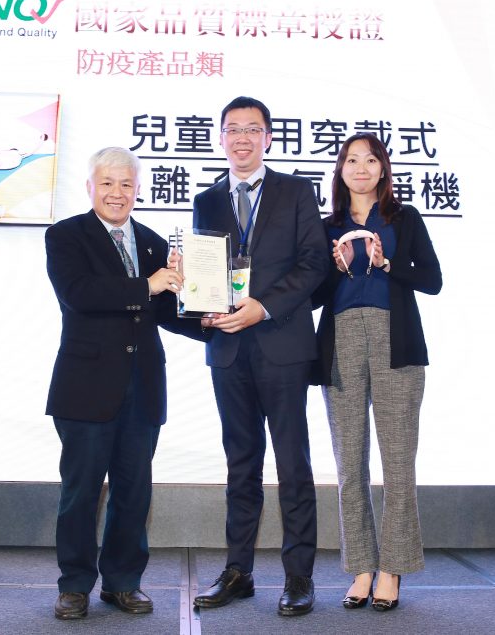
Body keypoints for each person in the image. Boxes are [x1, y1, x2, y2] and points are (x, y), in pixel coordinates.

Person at [189, 96, 328, 616]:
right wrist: (202, 306)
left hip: (282, 343)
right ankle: (238, 571)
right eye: (232, 129)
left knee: (293, 463)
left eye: (252, 129)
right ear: (221, 138)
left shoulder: (296, 191)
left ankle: (299, 577)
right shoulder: (207, 200)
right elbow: (206, 269)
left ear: (269, 137)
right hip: (228, 348)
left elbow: (314, 263)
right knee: (240, 463)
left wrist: (263, 307)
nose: (242, 138)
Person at [44, 146, 197, 620]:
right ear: (90, 187)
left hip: (143, 387)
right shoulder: (66, 235)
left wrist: (213, 315)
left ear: (138, 189)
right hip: (86, 387)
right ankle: (74, 586)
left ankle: (123, 582)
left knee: (134, 492)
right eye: (107, 183)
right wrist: (148, 285)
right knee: (81, 493)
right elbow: (80, 294)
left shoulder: (152, 242)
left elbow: (166, 311)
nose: (117, 193)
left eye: (126, 184)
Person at [311, 132, 442, 612]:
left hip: (395, 339)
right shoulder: (327, 226)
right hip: (342, 340)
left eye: (370, 160)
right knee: (349, 462)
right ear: (340, 170)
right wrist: (334, 267)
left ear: (383, 168)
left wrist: (387, 265)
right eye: (351, 160)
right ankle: (362, 567)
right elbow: (312, 297)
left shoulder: (405, 218)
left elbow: (432, 280)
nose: (360, 168)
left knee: (398, 462)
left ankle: (393, 568)